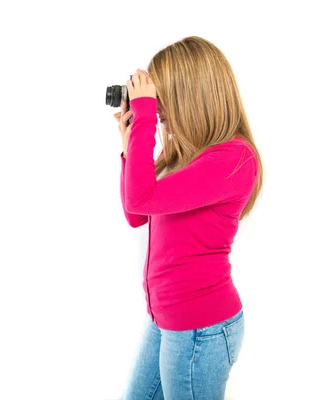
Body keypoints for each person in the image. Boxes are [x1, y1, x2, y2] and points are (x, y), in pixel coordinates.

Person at [115, 36, 262, 399]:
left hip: (200, 329)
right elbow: (137, 214)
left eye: (163, 98)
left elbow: (140, 197)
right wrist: (129, 143)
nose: (159, 109)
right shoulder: (186, 153)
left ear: (190, 94)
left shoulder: (234, 159)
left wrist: (147, 117)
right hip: (166, 320)